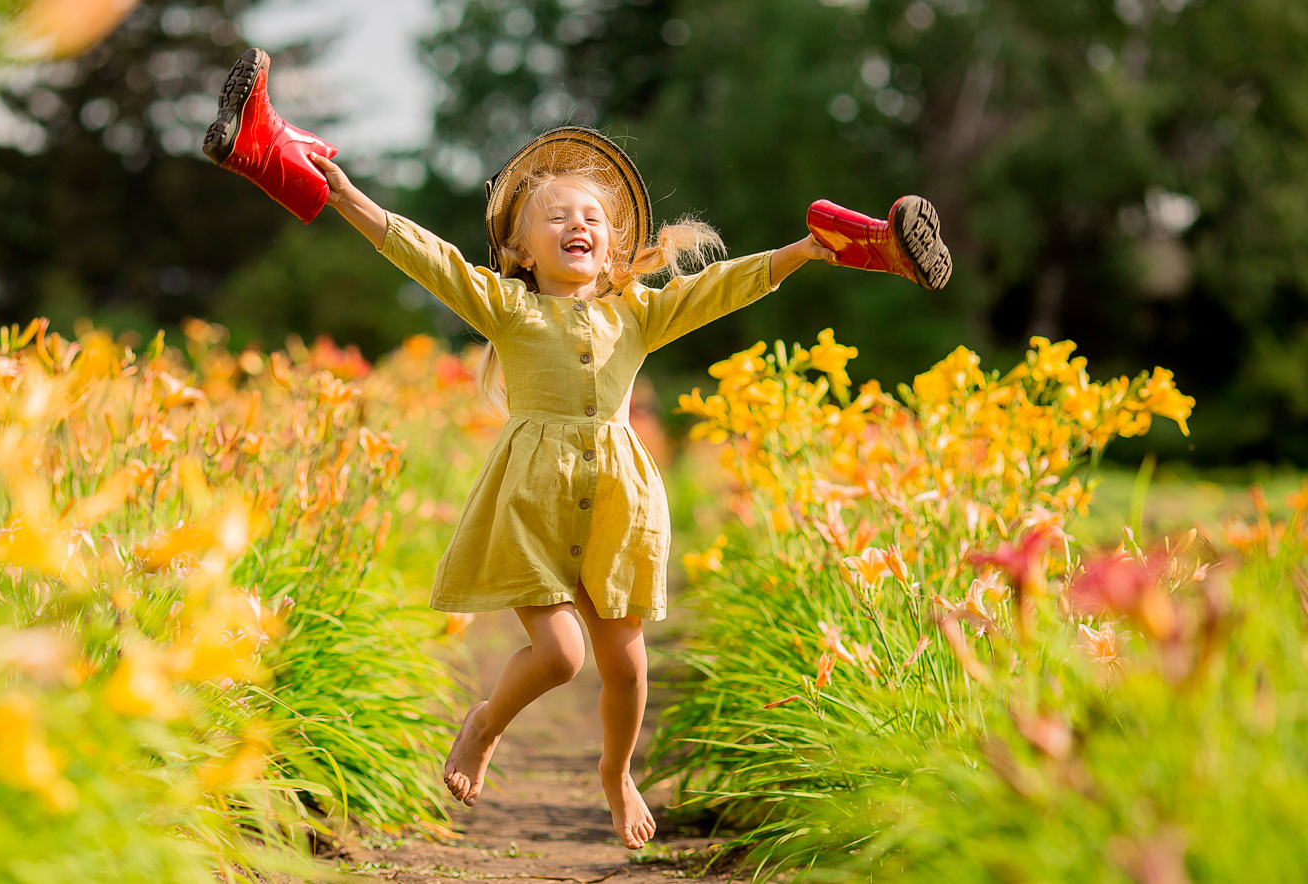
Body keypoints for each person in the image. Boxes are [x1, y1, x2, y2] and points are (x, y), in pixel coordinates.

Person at [205, 48, 950, 850]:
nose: (577, 225)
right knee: (560, 657)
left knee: (627, 670)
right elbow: (419, 251)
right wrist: (346, 190)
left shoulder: (637, 315)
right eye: (555, 217)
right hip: (529, 505)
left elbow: (719, 286)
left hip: (619, 511)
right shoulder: (505, 306)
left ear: (615, 246)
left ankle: (616, 772)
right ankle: (485, 725)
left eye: (591, 217)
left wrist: (803, 252)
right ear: (522, 249)